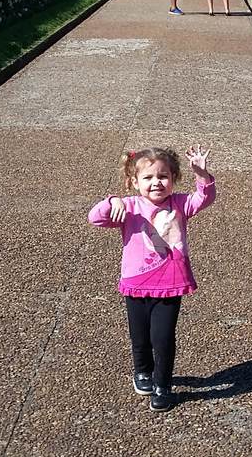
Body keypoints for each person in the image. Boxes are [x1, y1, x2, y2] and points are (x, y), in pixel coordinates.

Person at [88, 146, 216, 411]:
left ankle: (163, 384)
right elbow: (95, 218)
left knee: (163, 337)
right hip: (136, 284)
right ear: (134, 182)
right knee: (140, 337)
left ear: (173, 178)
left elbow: (205, 198)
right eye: (148, 178)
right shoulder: (130, 207)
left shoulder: (180, 204)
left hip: (170, 284)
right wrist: (112, 201)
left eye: (163, 176)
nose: (156, 182)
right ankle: (143, 372)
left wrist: (201, 173)